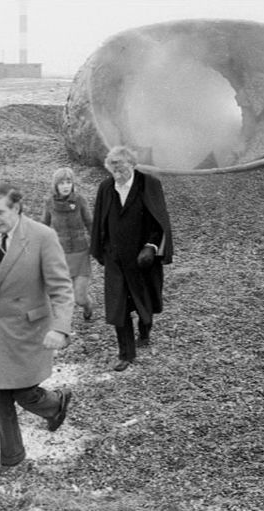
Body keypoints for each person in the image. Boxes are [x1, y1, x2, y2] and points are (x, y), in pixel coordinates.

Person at [0, 183, 75, 471]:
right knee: (0, 398)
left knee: (24, 392)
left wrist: (61, 327)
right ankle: (12, 458)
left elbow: (61, 288)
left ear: (16, 208)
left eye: (0, 212)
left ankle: (56, 404)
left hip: (30, 328)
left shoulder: (42, 236)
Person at [90, 145, 174, 372]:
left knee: (145, 301)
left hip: (142, 259)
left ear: (132, 165)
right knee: (118, 305)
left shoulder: (149, 184)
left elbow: (160, 221)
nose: (118, 174)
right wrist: (101, 250)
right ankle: (126, 354)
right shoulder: (106, 187)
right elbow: (100, 221)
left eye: (122, 168)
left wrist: (151, 246)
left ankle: (145, 328)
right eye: (113, 169)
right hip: (115, 258)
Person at [42, 167, 94, 321]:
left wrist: (98, 245)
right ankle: (62, 326)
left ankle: (88, 305)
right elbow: (43, 226)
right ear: (55, 185)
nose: (65, 186)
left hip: (80, 253)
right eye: (61, 183)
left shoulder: (80, 200)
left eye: (68, 182)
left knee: (79, 298)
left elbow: (90, 223)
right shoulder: (49, 202)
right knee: (61, 297)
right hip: (60, 255)